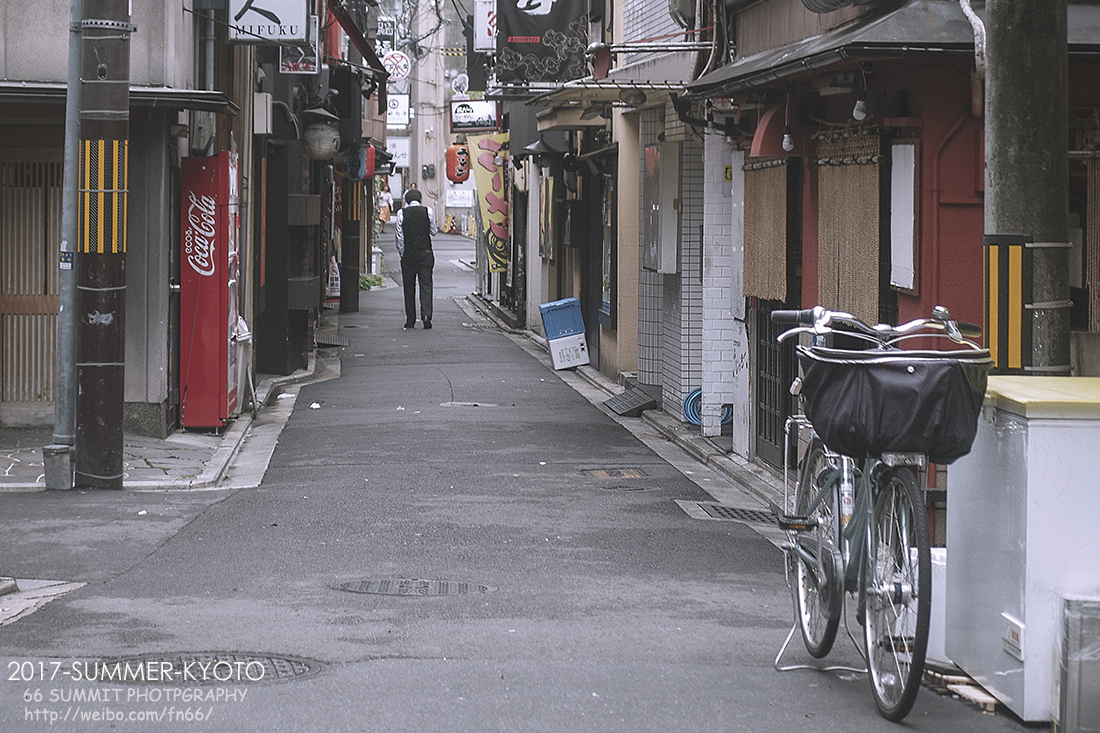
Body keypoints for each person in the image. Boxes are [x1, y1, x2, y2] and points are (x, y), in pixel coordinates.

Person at [394, 188, 437, 329]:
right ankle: (426, 317)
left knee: (409, 287)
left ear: (406, 200)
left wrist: (402, 252)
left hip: (409, 254)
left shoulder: (402, 213)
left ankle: (410, 320)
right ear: (420, 199)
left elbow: (399, 236)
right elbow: (433, 231)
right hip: (425, 252)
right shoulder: (428, 211)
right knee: (426, 285)